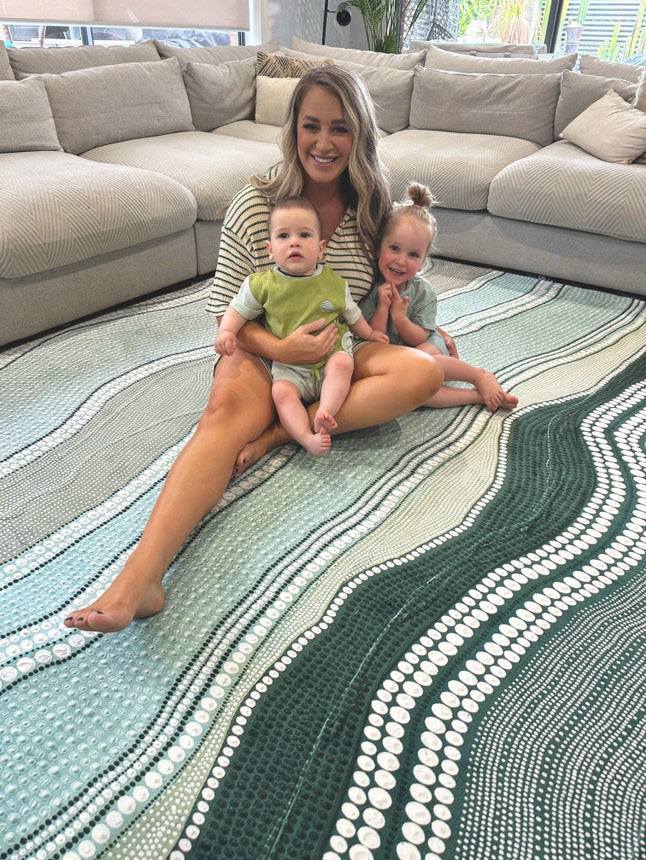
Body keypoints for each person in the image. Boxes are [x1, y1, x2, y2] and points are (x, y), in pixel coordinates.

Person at [63, 65, 443, 634]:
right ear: (291, 129)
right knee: (221, 418)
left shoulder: (372, 208)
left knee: (421, 373)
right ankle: (141, 579)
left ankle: (279, 432)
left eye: (340, 128)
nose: (324, 142)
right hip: (262, 350)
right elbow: (228, 316)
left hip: (339, 347)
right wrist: (279, 344)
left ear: (360, 133)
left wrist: (421, 326)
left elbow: (386, 283)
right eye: (310, 125)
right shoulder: (255, 204)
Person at [215, 196, 388, 456]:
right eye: (283, 236)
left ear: (320, 249)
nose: (294, 242)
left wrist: (370, 333)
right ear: (270, 249)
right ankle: (306, 438)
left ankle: (325, 412)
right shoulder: (261, 284)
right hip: (290, 365)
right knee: (282, 393)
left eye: (304, 235)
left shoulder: (334, 283)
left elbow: (353, 315)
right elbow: (237, 309)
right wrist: (226, 331)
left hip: (331, 355)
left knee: (343, 364)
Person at [362, 182, 518, 411]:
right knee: (412, 389)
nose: (401, 261)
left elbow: (419, 338)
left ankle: (478, 375)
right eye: (394, 248)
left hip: (425, 345)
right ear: (379, 248)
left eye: (413, 255)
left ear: (424, 261)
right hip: (395, 355)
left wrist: (400, 318)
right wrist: (382, 309)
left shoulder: (422, 291)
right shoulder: (371, 285)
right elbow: (373, 339)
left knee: (423, 363)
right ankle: (474, 396)